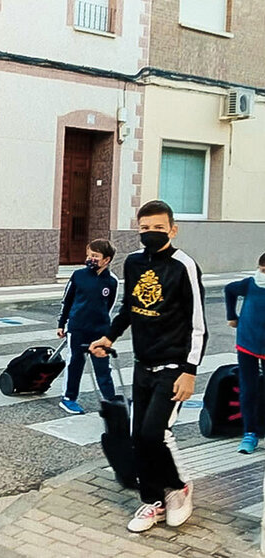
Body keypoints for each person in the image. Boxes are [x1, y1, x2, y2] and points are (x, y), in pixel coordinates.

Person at [90, 200, 207, 533]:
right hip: (143, 364)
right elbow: (129, 307)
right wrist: (109, 337)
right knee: (138, 437)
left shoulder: (184, 265)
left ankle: (180, 486)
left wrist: (190, 370)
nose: (151, 234)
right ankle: (152, 500)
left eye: (158, 228)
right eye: (145, 229)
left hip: (173, 365)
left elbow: (198, 325)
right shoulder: (134, 263)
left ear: (172, 229)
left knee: (156, 433)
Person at [56, 239, 118, 414]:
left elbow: (109, 306)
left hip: (100, 331)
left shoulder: (112, 281)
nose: (91, 259)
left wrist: (106, 330)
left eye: (95, 256)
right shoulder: (78, 275)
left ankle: (110, 400)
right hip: (77, 328)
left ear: (106, 260)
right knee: (74, 363)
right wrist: (62, 323)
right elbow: (67, 301)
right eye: (89, 255)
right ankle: (68, 398)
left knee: (103, 367)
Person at [224, 252, 265, 454]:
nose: (263, 274)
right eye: (262, 270)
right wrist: (232, 316)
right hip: (247, 343)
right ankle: (250, 433)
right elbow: (229, 290)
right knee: (248, 388)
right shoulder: (250, 284)